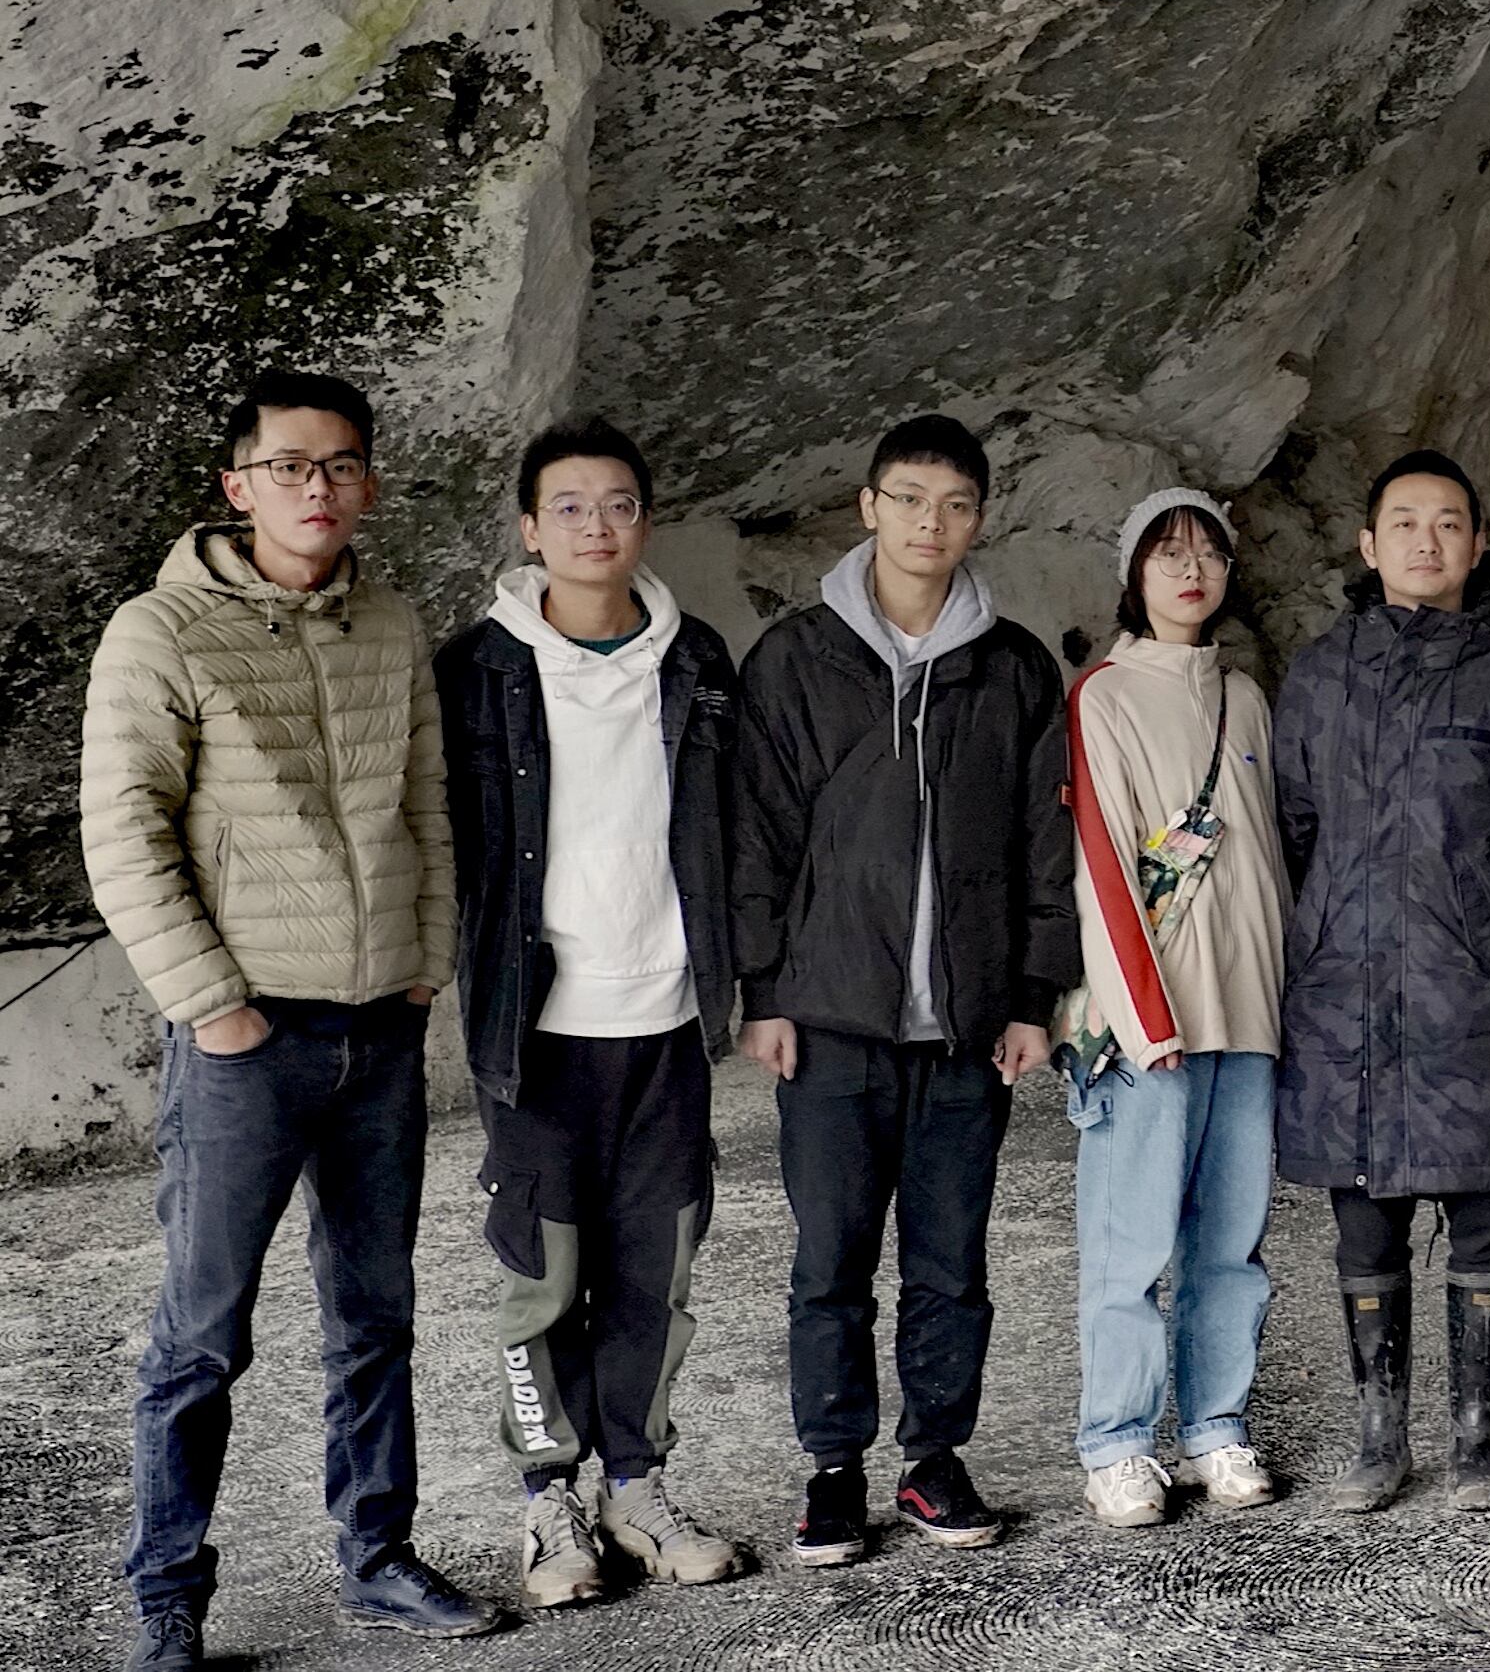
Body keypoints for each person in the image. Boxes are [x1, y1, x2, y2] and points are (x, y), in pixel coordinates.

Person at [84, 368, 505, 1670]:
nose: (314, 490)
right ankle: (170, 1592)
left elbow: (429, 807)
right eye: (287, 467)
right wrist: (211, 1007)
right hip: (246, 1039)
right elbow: (125, 832)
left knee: (374, 1313)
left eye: (338, 467)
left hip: (378, 1027)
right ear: (236, 483)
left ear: (367, 484)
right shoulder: (161, 631)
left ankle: (375, 1555)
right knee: (204, 1330)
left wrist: (426, 962)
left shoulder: (390, 622)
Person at [732, 414, 1076, 1567]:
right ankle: (832, 1471)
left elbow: (1044, 843)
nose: (933, 523)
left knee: (950, 1262)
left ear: (981, 519)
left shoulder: (1014, 666)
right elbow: (759, 836)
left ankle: (933, 1459)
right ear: (867, 507)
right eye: (910, 498)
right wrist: (763, 991)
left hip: (965, 1031)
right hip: (830, 1021)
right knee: (828, 1260)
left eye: (957, 505)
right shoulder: (794, 657)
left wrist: (1033, 995)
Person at [439, 417, 750, 1607]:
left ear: (645, 521)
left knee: (652, 1269)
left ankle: (639, 1485)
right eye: (568, 507)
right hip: (536, 1028)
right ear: (529, 529)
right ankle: (546, 1501)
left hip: (666, 1015)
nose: (594, 527)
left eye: (617, 504)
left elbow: (734, 832)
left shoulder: (698, 661)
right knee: (542, 1271)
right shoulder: (479, 669)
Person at [1275, 449, 1490, 1516]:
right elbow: (1288, 833)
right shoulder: (1320, 675)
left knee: (1484, 1221)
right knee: (1363, 1223)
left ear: (1477, 546)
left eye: (1449, 523)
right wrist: (1314, 942)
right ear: (1368, 547)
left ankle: (1476, 1433)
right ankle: (1380, 1436)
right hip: (1344, 998)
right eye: (1404, 522)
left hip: (1477, 992)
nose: (1427, 541)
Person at [1058, 489, 1287, 1527]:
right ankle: (1114, 1441)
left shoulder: (1246, 698)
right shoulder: (1102, 695)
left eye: (1206, 552)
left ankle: (1213, 1427)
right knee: (1132, 1240)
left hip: (1246, 1014)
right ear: (1133, 571)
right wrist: (1144, 1020)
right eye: (1166, 551)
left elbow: (1275, 858)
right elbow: (1101, 865)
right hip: (1150, 1022)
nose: (1189, 569)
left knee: (1230, 1240)